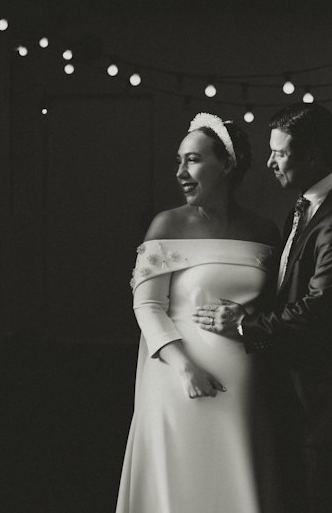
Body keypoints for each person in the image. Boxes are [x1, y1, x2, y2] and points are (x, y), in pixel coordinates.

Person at [192, 103, 332, 513]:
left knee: (324, 494)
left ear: (312, 156)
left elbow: (321, 310)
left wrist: (246, 326)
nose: (270, 162)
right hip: (298, 389)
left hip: (328, 391)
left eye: (280, 153)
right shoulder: (307, 208)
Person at [115, 113, 283, 513]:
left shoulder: (263, 231)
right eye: (179, 161)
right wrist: (185, 367)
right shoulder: (167, 224)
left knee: (233, 476)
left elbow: (274, 305)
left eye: (192, 160)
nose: (180, 172)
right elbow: (147, 304)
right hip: (177, 376)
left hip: (242, 378)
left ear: (226, 164)